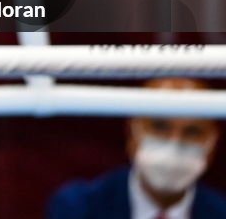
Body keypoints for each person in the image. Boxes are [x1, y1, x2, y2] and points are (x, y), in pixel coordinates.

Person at [47, 78, 226, 219]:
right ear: (133, 135)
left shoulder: (220, 213)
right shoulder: (79, 207)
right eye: (160, 127)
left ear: (211, 144)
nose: (175, 142)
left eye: (192, 132)